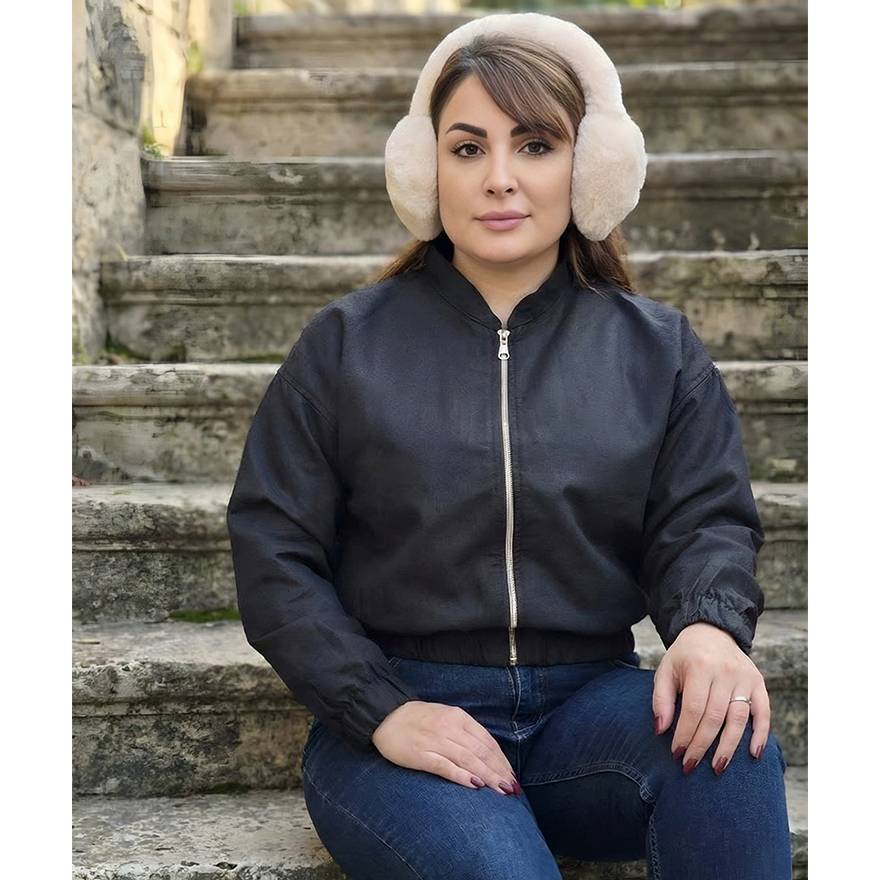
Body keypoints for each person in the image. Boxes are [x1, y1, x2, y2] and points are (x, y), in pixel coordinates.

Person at [226, 12, 792, 879]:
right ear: (426, 169)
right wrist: (380, 709)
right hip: (402, 719)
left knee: (733, 744)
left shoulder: (657, 351)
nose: (499, 179)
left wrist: (709, 630)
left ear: (588, 167)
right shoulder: (344, 347)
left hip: (589, 712)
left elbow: (704, 520)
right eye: (467, 149)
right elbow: (274, 548)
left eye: (534, 145)